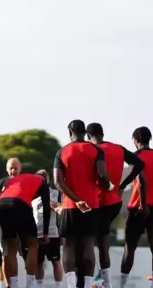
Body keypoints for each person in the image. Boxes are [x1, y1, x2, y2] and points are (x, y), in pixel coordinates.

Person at [85, 123, 145, 288]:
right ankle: (106, 281)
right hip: (114, 202)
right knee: (102, 238)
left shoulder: (89, 150)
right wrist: (123, 185)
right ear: (103, 134)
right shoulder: (118, 148)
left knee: (90, 241)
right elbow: (140, 164)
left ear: (87, 136)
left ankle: (94, 281)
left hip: (95, 202)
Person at [53, 120, 112, 288]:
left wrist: (76, 200)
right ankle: (86, 285)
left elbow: (58, 182)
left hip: (70, 205)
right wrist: (107, 185)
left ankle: (71, 286)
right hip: (92, 205)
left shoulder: (62, 151)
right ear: (85, 133)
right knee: (88, 245)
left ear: (70, 133)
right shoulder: (95, 150)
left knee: (68, 246)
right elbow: (102, 175)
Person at [119, 127, 153, 288]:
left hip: (139, 208)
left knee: (129, 248)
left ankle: (122, 284)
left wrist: (143, 204)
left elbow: (141, 181)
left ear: (136, 139)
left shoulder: (136, 157)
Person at [0, 172, 51, 288]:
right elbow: (46, 208)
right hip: (19, 203)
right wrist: (45, 233)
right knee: (33, 245)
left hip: (2, 204)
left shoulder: (20, 178)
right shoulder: (42, 182)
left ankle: (14, 285)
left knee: (12, 247)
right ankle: (29, 285)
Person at [31, 170, 63, 288]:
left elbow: (60, 207)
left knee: (55, 261)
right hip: (36, 234)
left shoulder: (55, 193)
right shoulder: (31, 194)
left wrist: (53, 205)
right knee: (38, 262)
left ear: (46, 181)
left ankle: (58, 286)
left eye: (40, 179)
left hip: (52, 233)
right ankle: (39, 285)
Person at [0, 158, 21, 288]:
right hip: (3, 224)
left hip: (18, 223)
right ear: (7, 169)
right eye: (10, 168)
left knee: (13, 253)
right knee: (5, 255)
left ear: (20, 169)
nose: (13, 170)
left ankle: (15, 284)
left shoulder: (23, 181)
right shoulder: (2, 182)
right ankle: (8, 284)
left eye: (15, 168)